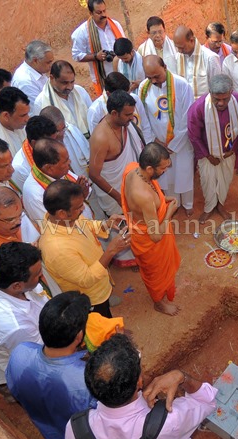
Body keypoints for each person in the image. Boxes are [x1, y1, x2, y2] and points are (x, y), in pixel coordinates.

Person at [64, 333, 217, 439]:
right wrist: (182, 376)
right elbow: (206, 400)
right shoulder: (169, 421)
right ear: (139, 381)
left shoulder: (76, 429)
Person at [6, 292, 97, 439]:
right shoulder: (88, 378)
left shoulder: (20, 353)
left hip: (52, 435)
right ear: (79, 335)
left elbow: (15, 390)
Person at [39, 180, 129, 317]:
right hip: (90, 298)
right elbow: (87, 278)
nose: (82, 209)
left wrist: (107, 224)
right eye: (79, 207)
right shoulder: (56, 249)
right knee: (102, 323)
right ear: (62, 213)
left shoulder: (67, 219)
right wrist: (111, 251)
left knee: (107, 314)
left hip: (100, 285)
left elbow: (88, 226)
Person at [0, 242, 48, 387]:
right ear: (17, 286)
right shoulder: (15, 326)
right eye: (38, 275)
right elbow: (39, 357)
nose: (42, 276)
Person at [121, 143, 180, 316]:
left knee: (159, 271)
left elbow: (151, 195)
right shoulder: (144, 196)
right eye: (162, 169)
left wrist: (162, 200)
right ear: (149, 168)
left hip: (147, 220)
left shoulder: (132, 169)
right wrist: (168, 211)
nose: (165, 172)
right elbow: (155, 236)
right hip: (149, 241)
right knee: (156, 275)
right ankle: (158, 303)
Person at [139, 55, 195, 216]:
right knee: (165, 174)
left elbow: (187, 117)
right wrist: (154, 142)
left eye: (157, 76)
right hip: (158, 142)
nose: (154, 80)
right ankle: (173, 202)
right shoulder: (144, 88)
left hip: (181, 142)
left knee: (183, 173)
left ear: (165, 66)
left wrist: (173, 145)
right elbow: (145, 119)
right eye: (150, 77)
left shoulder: (181, 85)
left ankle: (188, 203)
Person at [188, 74, 238, 223]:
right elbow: (194, 135)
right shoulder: (199, 107)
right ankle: (209, 207)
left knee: (225, 181)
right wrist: (207, 155)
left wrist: (234, 148)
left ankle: (220, 205)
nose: (220, 103)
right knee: (208, 182)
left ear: (231, 92)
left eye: (225, 99)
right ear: (210, 93)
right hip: (207, 155)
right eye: (216, 99)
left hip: (229, 152)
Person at [89, 90, 146, 217]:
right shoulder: (101, 138)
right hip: (115, 197)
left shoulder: (125, 124)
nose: (132, 118)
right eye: (128, 115)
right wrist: (118, 197)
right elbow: (94, 174)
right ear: (114, 113)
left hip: (134, 186)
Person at [23, 138, 93, 223]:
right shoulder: (36, 195)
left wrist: (81, 193)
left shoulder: (58, 171)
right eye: (65, 161)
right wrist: (80, 196)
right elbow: (57, 225)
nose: (69, 162)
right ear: (49, 168)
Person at [71, 0, 125, 95]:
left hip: (122, 73)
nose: (103, 14)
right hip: (103, 79)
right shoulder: (81, 32)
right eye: (99, 12)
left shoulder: (115, 25)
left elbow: (124, 44)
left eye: (104, 11)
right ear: (91, 13)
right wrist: (96, 56)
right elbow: (76, 55)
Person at [33, 61, 92, 137]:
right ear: (52, 78)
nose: (69, 87)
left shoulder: (80, 91)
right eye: (65, 83)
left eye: (72, 82)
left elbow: (91, 117)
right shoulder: (41, 102)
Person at [173, 25, 221, 99]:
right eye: (177, 47)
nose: (179, 51)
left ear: (191, 40)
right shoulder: (178, 57)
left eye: (182, 47)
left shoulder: (210, 58)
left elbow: (217, 88)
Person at [11, 115, 59, 188]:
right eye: (50, 142)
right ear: (34, 143)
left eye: (55, 140)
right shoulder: (19, 167)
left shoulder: (52, 147)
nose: (55, 145)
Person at [12, 40, 54, 105]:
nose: (51, 65)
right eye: (48, 62)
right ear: (35, 61)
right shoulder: (25, 82)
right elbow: (39, 107)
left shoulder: (38, 69)